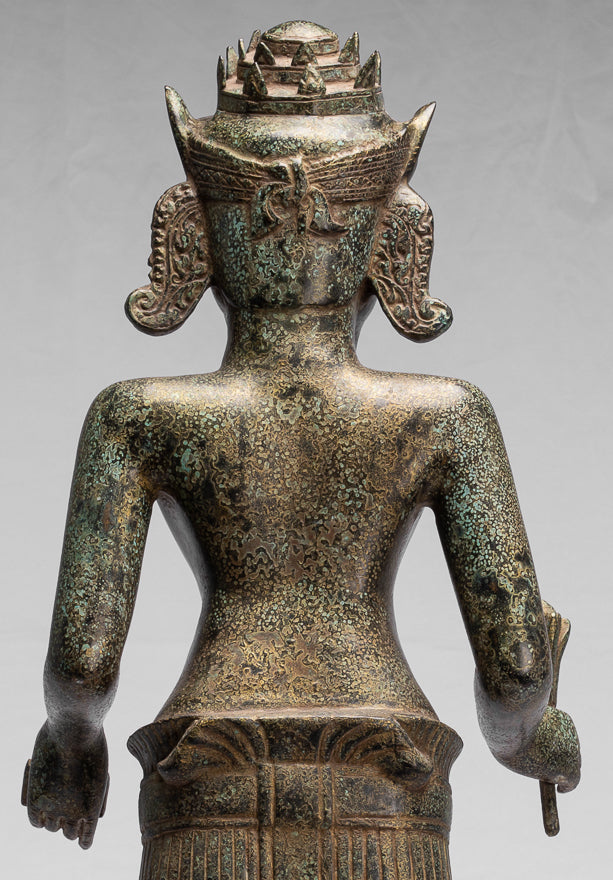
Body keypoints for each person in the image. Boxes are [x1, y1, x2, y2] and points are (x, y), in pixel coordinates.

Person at [24, 21, 580, 879]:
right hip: (383, 780)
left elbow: (82, 668)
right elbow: (515, 677)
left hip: (204, 776)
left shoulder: (136, 418)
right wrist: (541, 742)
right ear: (392, 240)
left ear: (194, 239)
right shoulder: (444, 416)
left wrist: (71, 744)